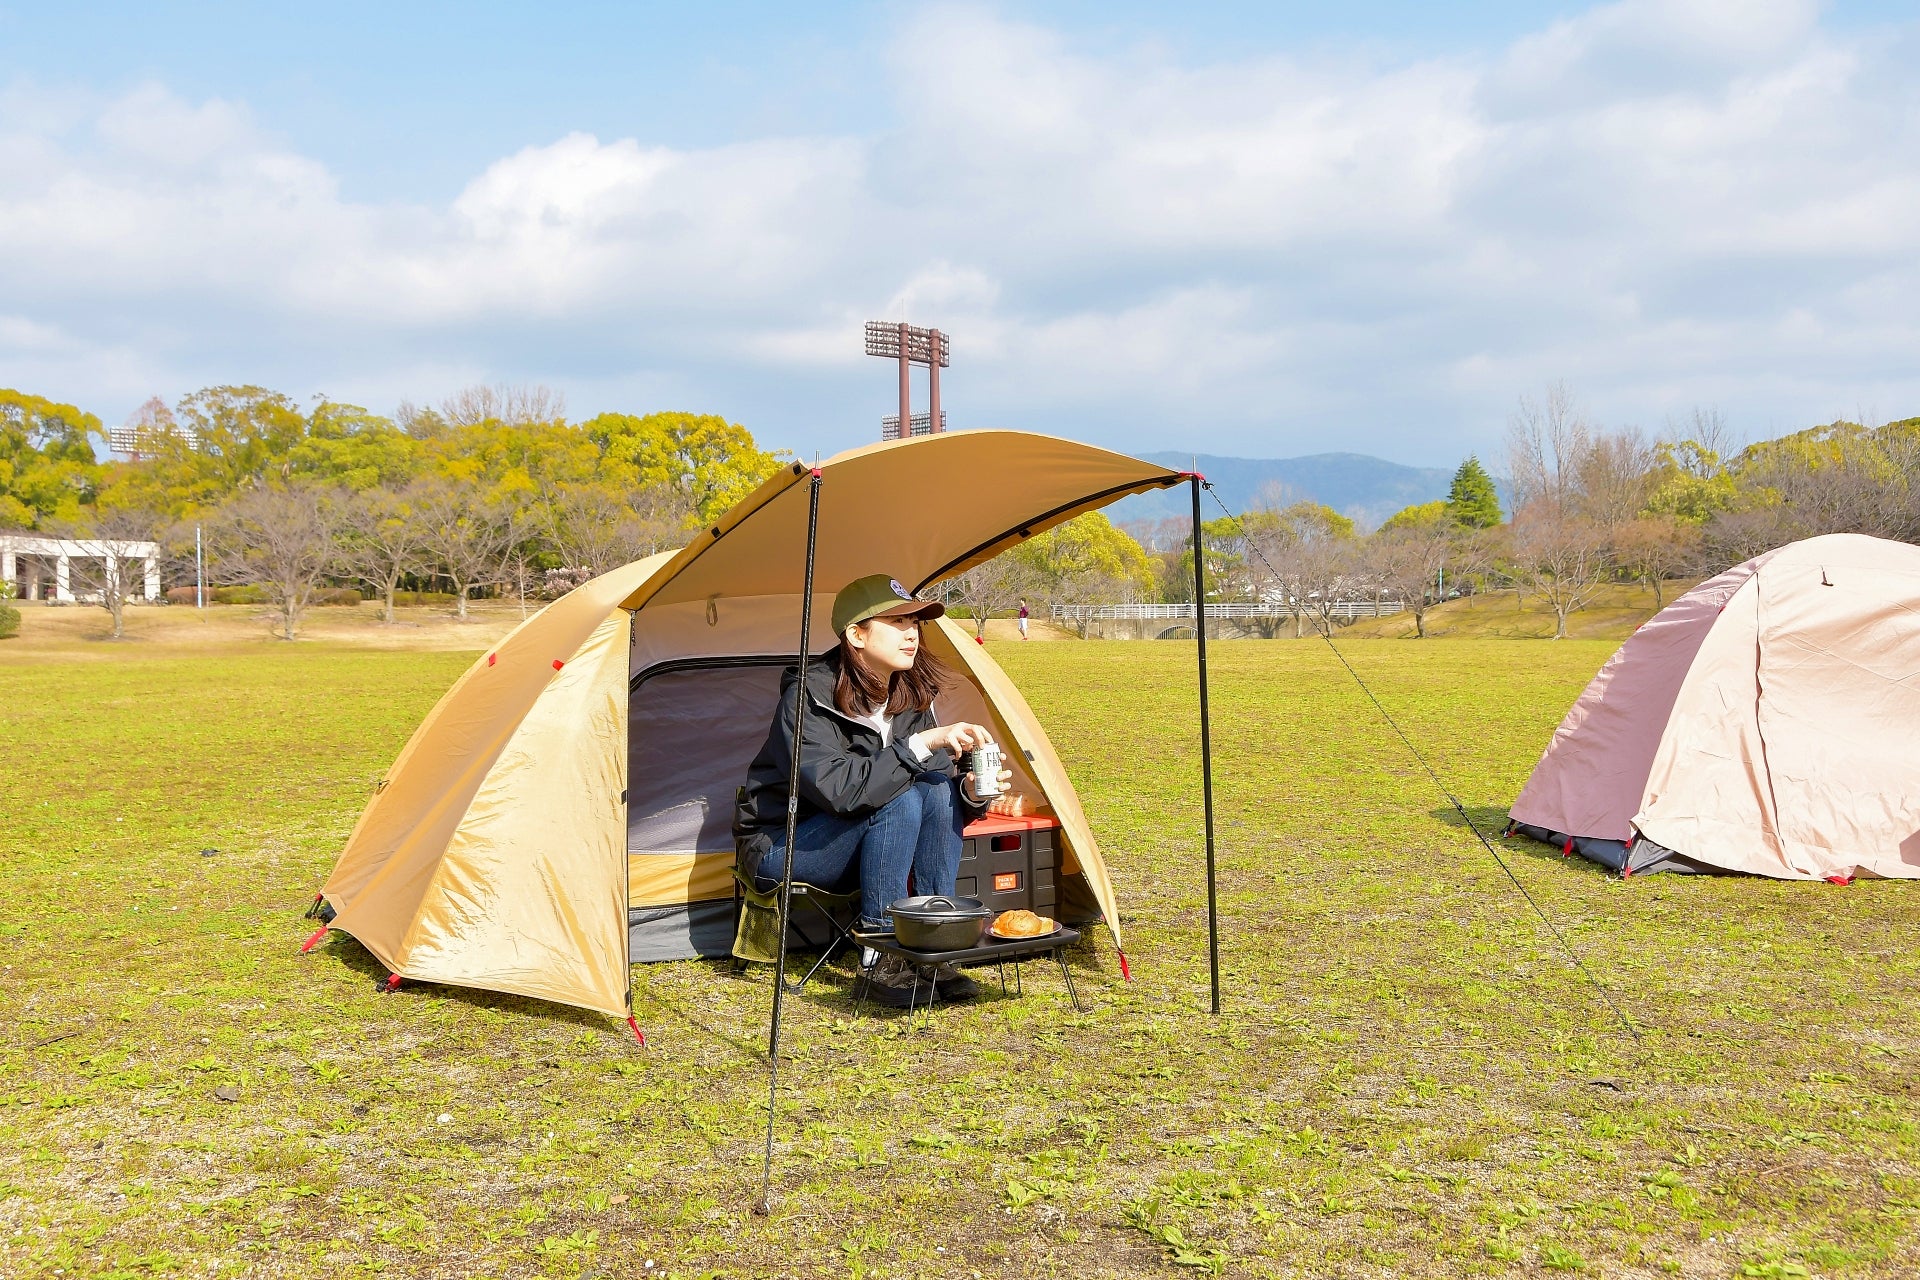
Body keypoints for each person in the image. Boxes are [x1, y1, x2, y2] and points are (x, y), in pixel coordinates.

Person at [734, 574, 1010, 1007]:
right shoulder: (808, 696)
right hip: (786, 845)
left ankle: (934, 945)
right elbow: (843, 792)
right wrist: (922, 744)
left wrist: (971, 794)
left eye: (915, 623)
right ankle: (881, 954)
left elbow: (934, 785)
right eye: (897, 622)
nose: (911, 633)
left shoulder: (909, 693)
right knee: (900, 794)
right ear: (856, 635)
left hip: (875, 844)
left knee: (936, 789)